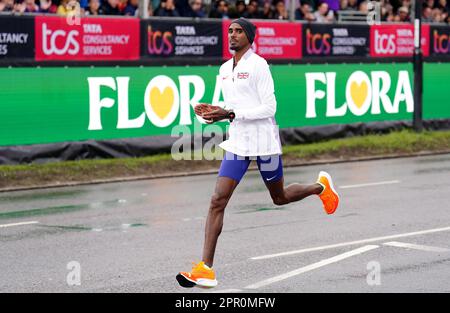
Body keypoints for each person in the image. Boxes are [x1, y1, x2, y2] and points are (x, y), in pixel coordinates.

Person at [176, 18, 340, 289]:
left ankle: (320, 187)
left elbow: (269, 108)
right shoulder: (224, 69)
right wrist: (214, 114)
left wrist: (229, 113)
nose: (232, 35)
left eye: (239, 31)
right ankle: (205, 269)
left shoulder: (259, 65)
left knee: (280, 197)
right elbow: (233, 108)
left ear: (250, 37)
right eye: (230, 31)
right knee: (217, 200)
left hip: (264, 142)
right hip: (239, 143)